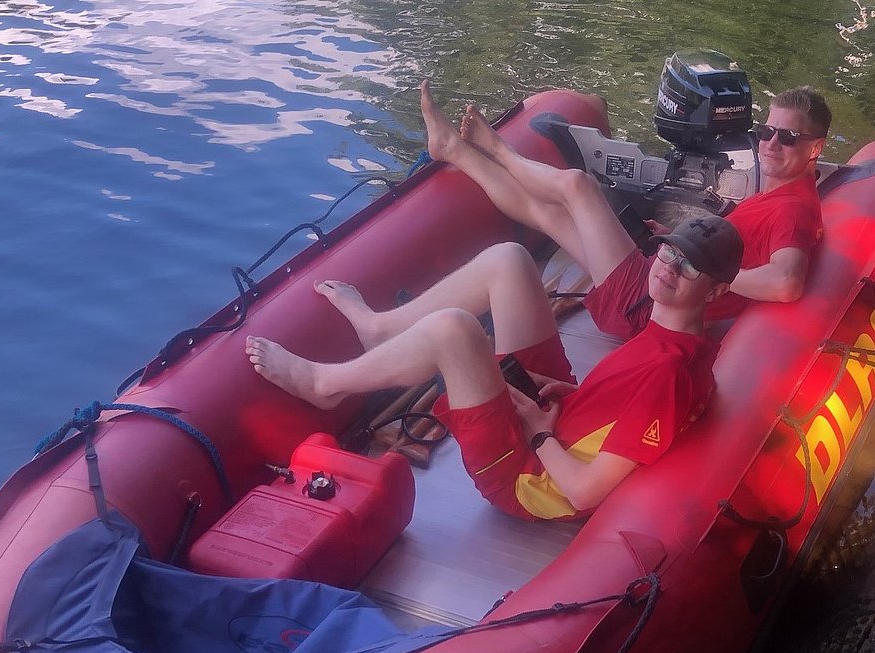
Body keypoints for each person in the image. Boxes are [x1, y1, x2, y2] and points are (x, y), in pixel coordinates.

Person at [245, 215, 743, 522]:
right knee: (509, 260)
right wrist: (564, 392)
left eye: (689, 266)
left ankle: (325, 384)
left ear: (717, 291)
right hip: (556, 415)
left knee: (454, 331)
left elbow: (583, 491)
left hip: (526, 473)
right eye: (669, 251)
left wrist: (539, 432)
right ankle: (381, 329)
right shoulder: (678, 341)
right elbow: (621, 411)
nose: (668, 267)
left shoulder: (669, 373)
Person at [418, 80, 830, 339]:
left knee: (578, 186)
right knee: (550, 215)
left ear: (815, 148)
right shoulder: (779, 194)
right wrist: (680, 244)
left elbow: (786, 283)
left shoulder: (793, 210)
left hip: (646, 305)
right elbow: (745, 251)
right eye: (766, 131)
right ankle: (453, 150)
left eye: (788, 137)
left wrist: (706, 265)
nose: (770, 144)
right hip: (655, 285)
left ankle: (498, 150)